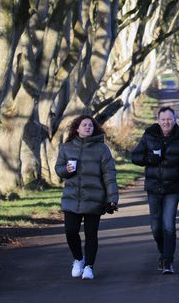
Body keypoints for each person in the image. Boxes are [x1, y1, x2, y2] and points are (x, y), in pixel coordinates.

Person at [130, 106, 179, 275]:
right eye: (163, 119)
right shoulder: (149, 135)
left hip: (172, 189)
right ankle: (163, 253)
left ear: (175, 120)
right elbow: (135, 157)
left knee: (168, 225)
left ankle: (168, 260)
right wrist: (149, 159)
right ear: (158, 120)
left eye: (169, 119)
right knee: (155, 227)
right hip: (153, 188)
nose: (166, 122)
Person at [55, 115, 119, 281]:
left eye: (90, 125)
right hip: (71, 198)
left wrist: (112, 198)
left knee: (91, 234)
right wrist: (66, 170)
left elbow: (109, 174)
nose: (88, 127)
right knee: (70, 232)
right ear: (77, 128)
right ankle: (78, 259)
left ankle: (89, 267)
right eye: (84, 125)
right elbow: (59, 169)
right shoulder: (66, 148)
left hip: (94, 198)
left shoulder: (101, 149)